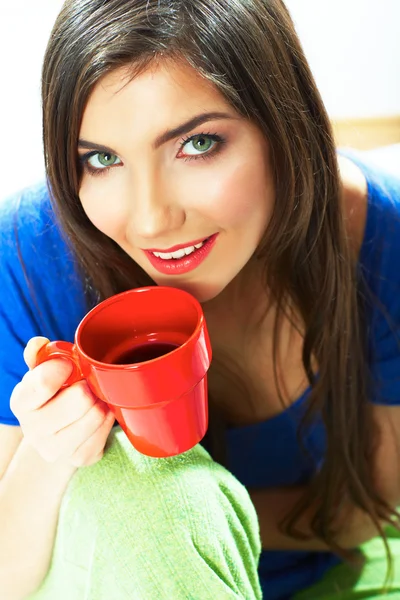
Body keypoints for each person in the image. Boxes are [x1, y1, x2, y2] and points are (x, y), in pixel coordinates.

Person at [1, 0, 400, 598]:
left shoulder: (377, 235)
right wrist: (52, 453)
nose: (153, 219)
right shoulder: (31, 254)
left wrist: (208, 527)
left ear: (282, 124)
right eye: (102, 159)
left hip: (315, 578)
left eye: (199, 144)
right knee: (137, 490)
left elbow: (372, 502)